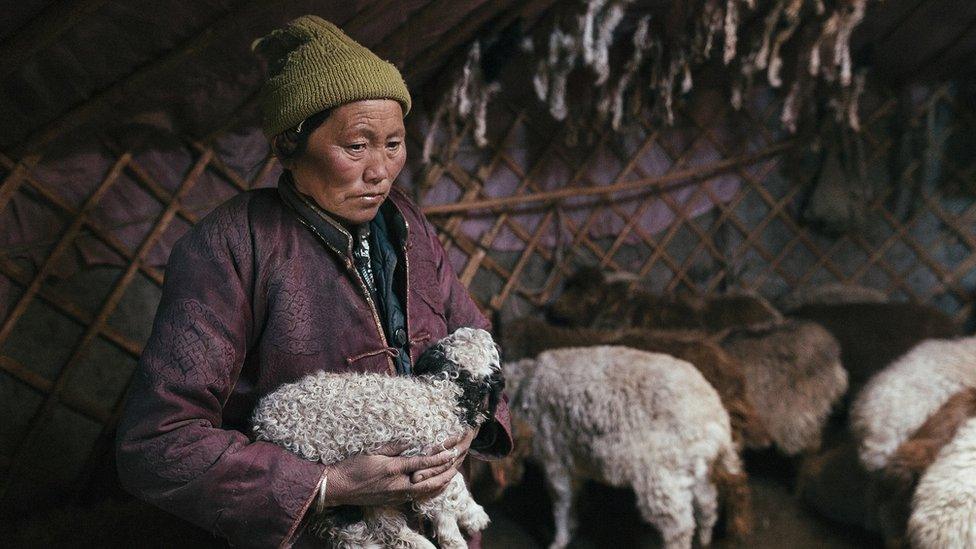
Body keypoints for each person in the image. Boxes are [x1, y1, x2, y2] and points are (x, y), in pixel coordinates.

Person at [115, 15, 512, 548]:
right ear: (288, 146)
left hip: (432, 522)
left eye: (393, 143)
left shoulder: (407, 224)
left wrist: (466, 426)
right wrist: (329, 485)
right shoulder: (231, 247)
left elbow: (473, 340)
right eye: (356, 146)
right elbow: (157, 444)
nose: (381, 171)